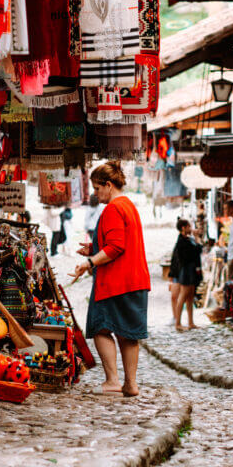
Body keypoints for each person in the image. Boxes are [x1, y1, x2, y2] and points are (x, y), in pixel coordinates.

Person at [74, 161, 151, 397]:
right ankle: (131, 384)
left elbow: (116, 247)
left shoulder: (113, 209)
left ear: (109, 185)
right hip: (135, 281)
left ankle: (112, 381)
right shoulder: (129, 206)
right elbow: (120, 242)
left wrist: (89, 262)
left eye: (97, 189)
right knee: (128, 333)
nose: (95, 194)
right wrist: (93, 248)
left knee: (99, 327)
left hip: (115, 283)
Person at [170, 217, 202, 331]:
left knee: (190, 297)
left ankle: (190, 322)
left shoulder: (187, 239)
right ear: (183, 228)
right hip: (186, 271)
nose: (190, 228)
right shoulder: (182, 241)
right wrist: (197, 239)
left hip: (191, 271)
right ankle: (178, 323)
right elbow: (195, 252)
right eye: (189, 226)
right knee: (183, 296)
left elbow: (197, 250)